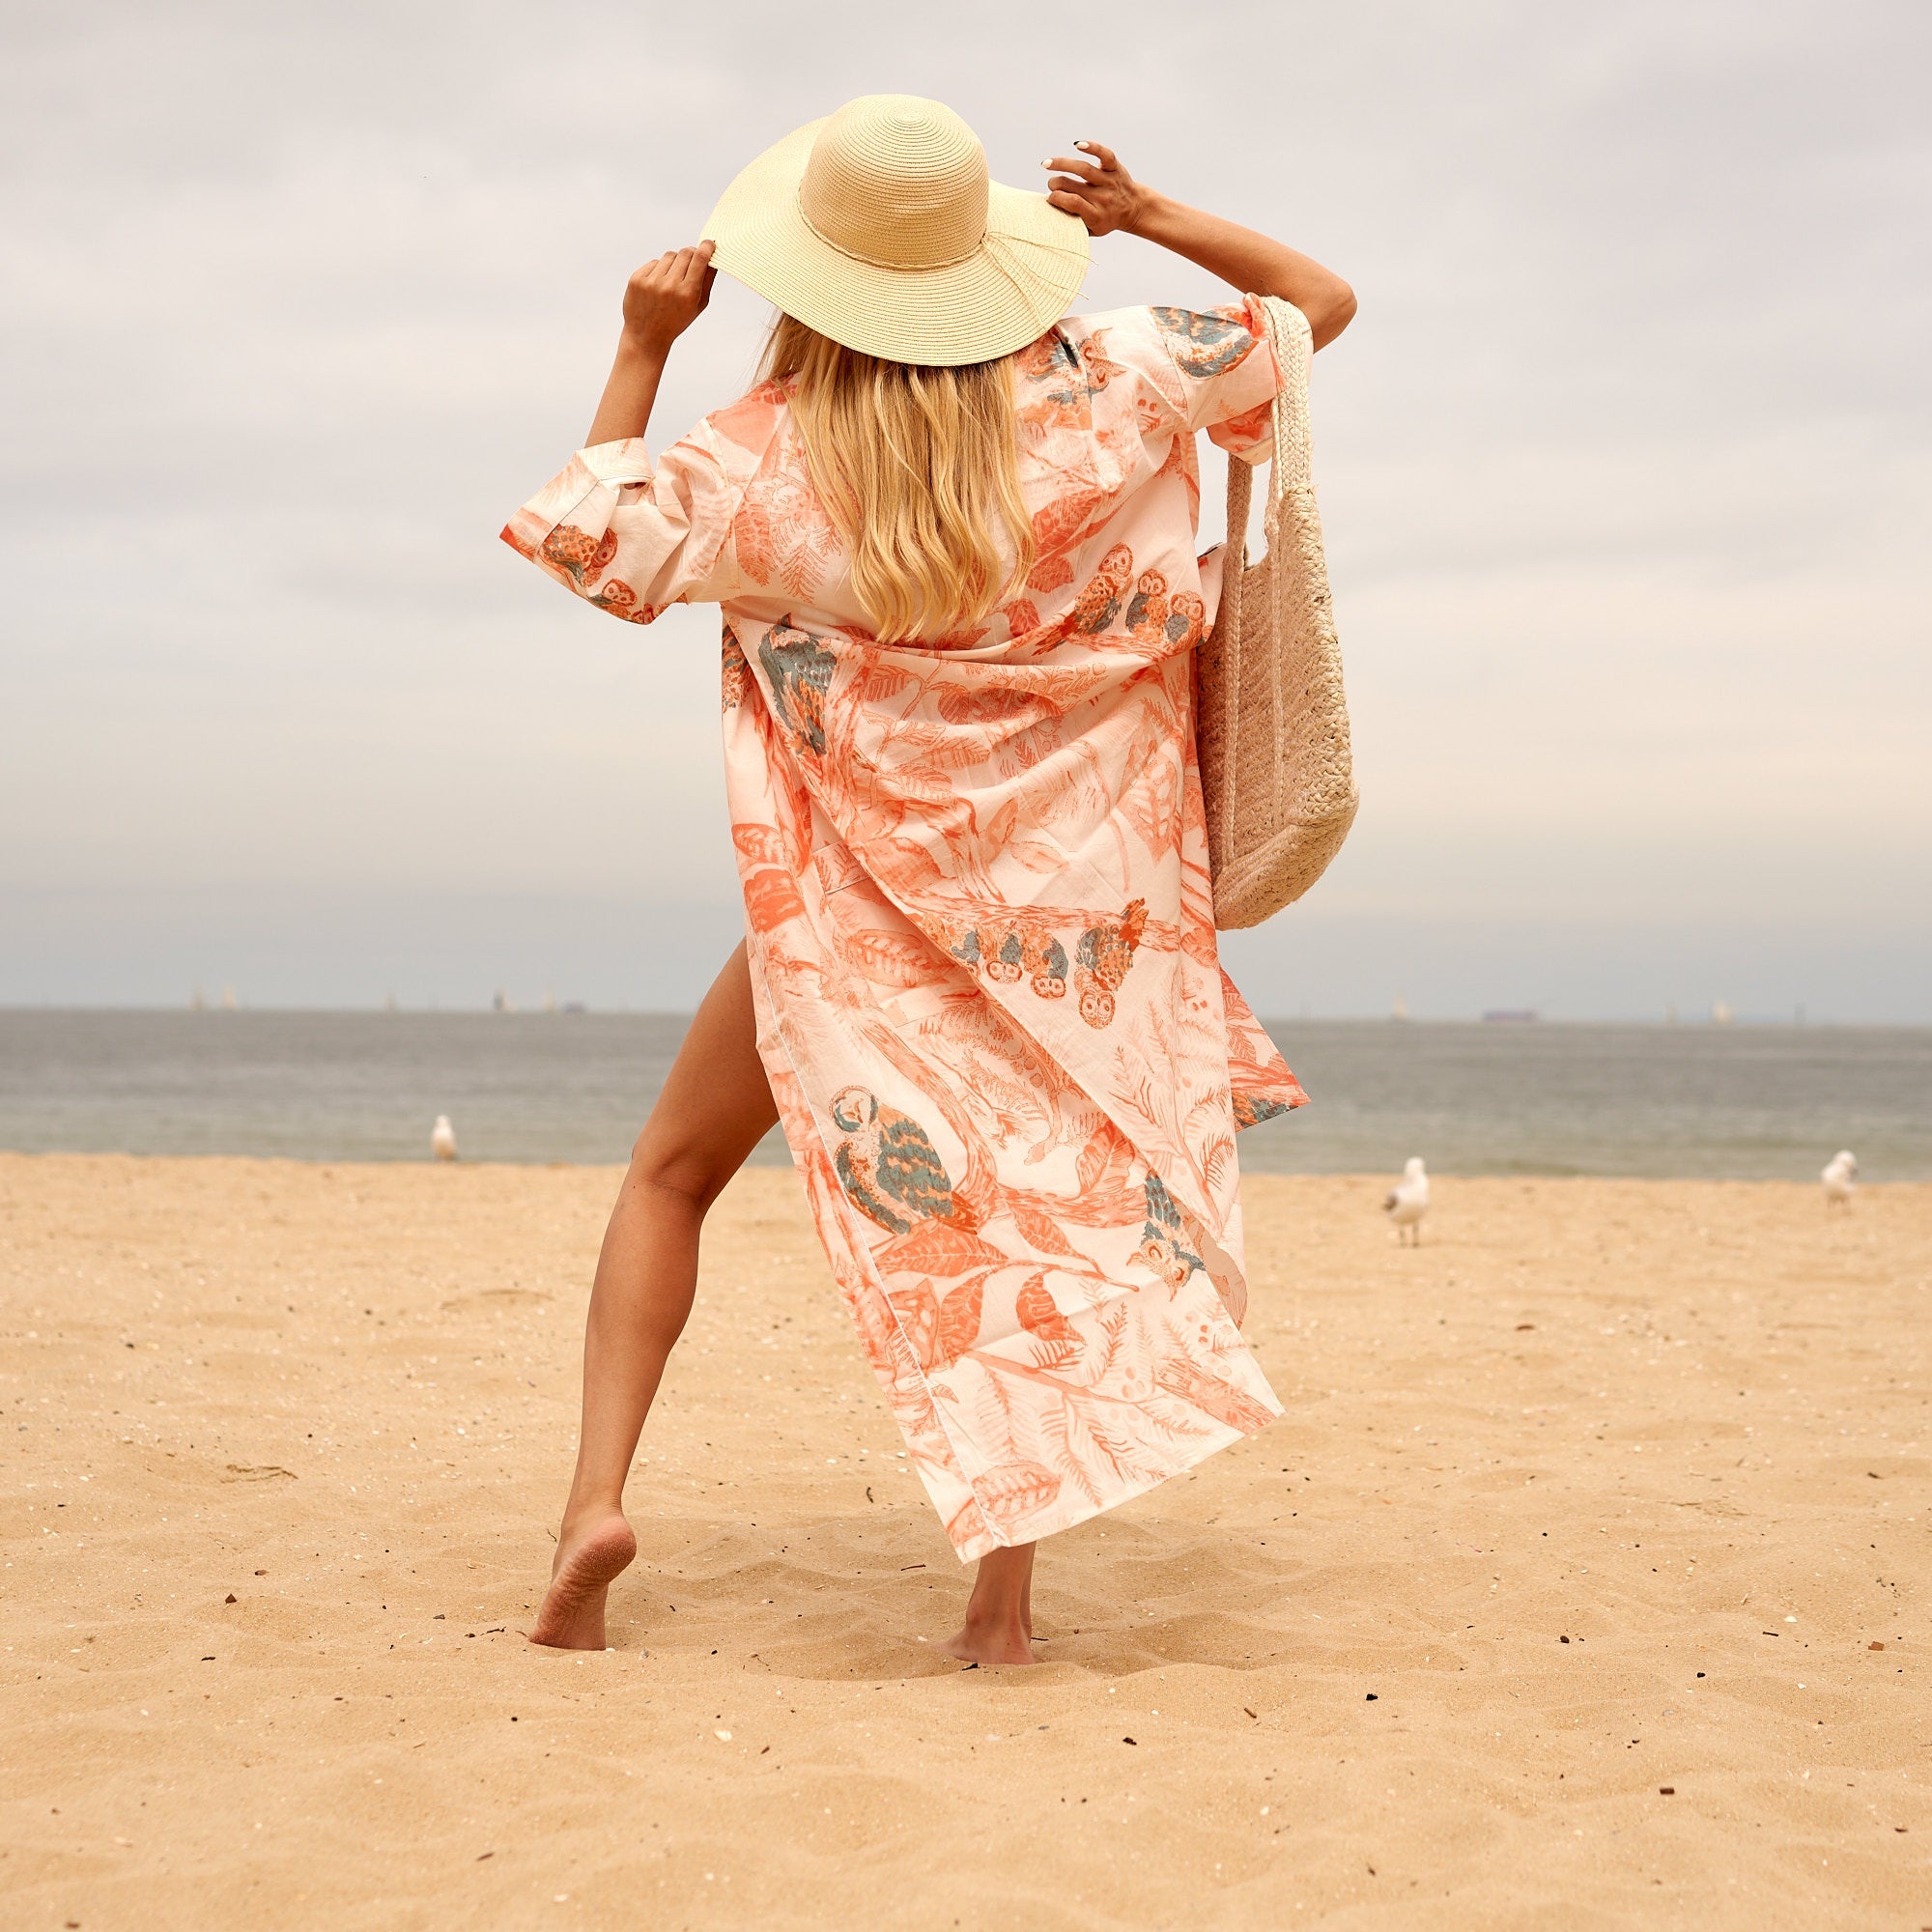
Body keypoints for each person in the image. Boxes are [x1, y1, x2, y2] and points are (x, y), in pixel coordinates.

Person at [503, 96, 1355, 1665]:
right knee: (1028, 1228)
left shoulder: (760, 458)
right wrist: (1151, 210)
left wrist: (642, 341)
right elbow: (1318, 308)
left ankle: (593, 1508)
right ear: (985, 263)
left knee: (673, 1174)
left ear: (808, 277)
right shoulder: (1113, 377)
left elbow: (590, 545)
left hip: (850, 917)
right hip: (1081, 923)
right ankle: (1001, 1603)